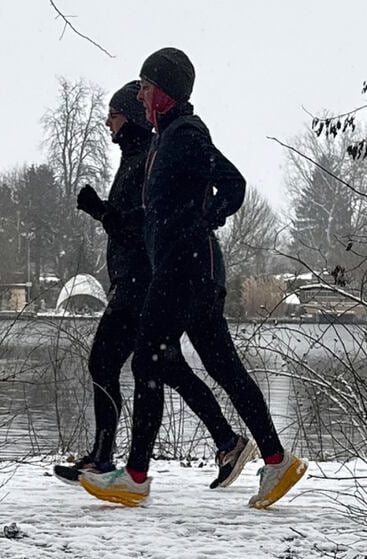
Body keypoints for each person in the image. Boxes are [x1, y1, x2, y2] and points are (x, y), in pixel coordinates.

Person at [80, 48, 307, 509]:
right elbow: (159, 213)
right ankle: (277, 459)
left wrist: (206, 218)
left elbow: (234, 184)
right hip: (189, 271)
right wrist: (124, 219)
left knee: (149, 361)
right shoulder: (166, 139)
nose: (139, 95)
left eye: (145, 86)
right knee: (222, 367)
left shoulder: (186, 133)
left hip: (185, 271)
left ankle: (135, 477)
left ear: (164, 92)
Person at [53, 81, 254, 490]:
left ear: (130, 117)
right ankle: (226, 442)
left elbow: (144, 227)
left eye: (113, 114)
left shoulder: (150, 158)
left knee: (110, 363)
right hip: (138, 281)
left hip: (143, 284)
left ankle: (110, 461)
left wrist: (100, 211)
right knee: (165, 366)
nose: (107, 122)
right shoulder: (136, 158)